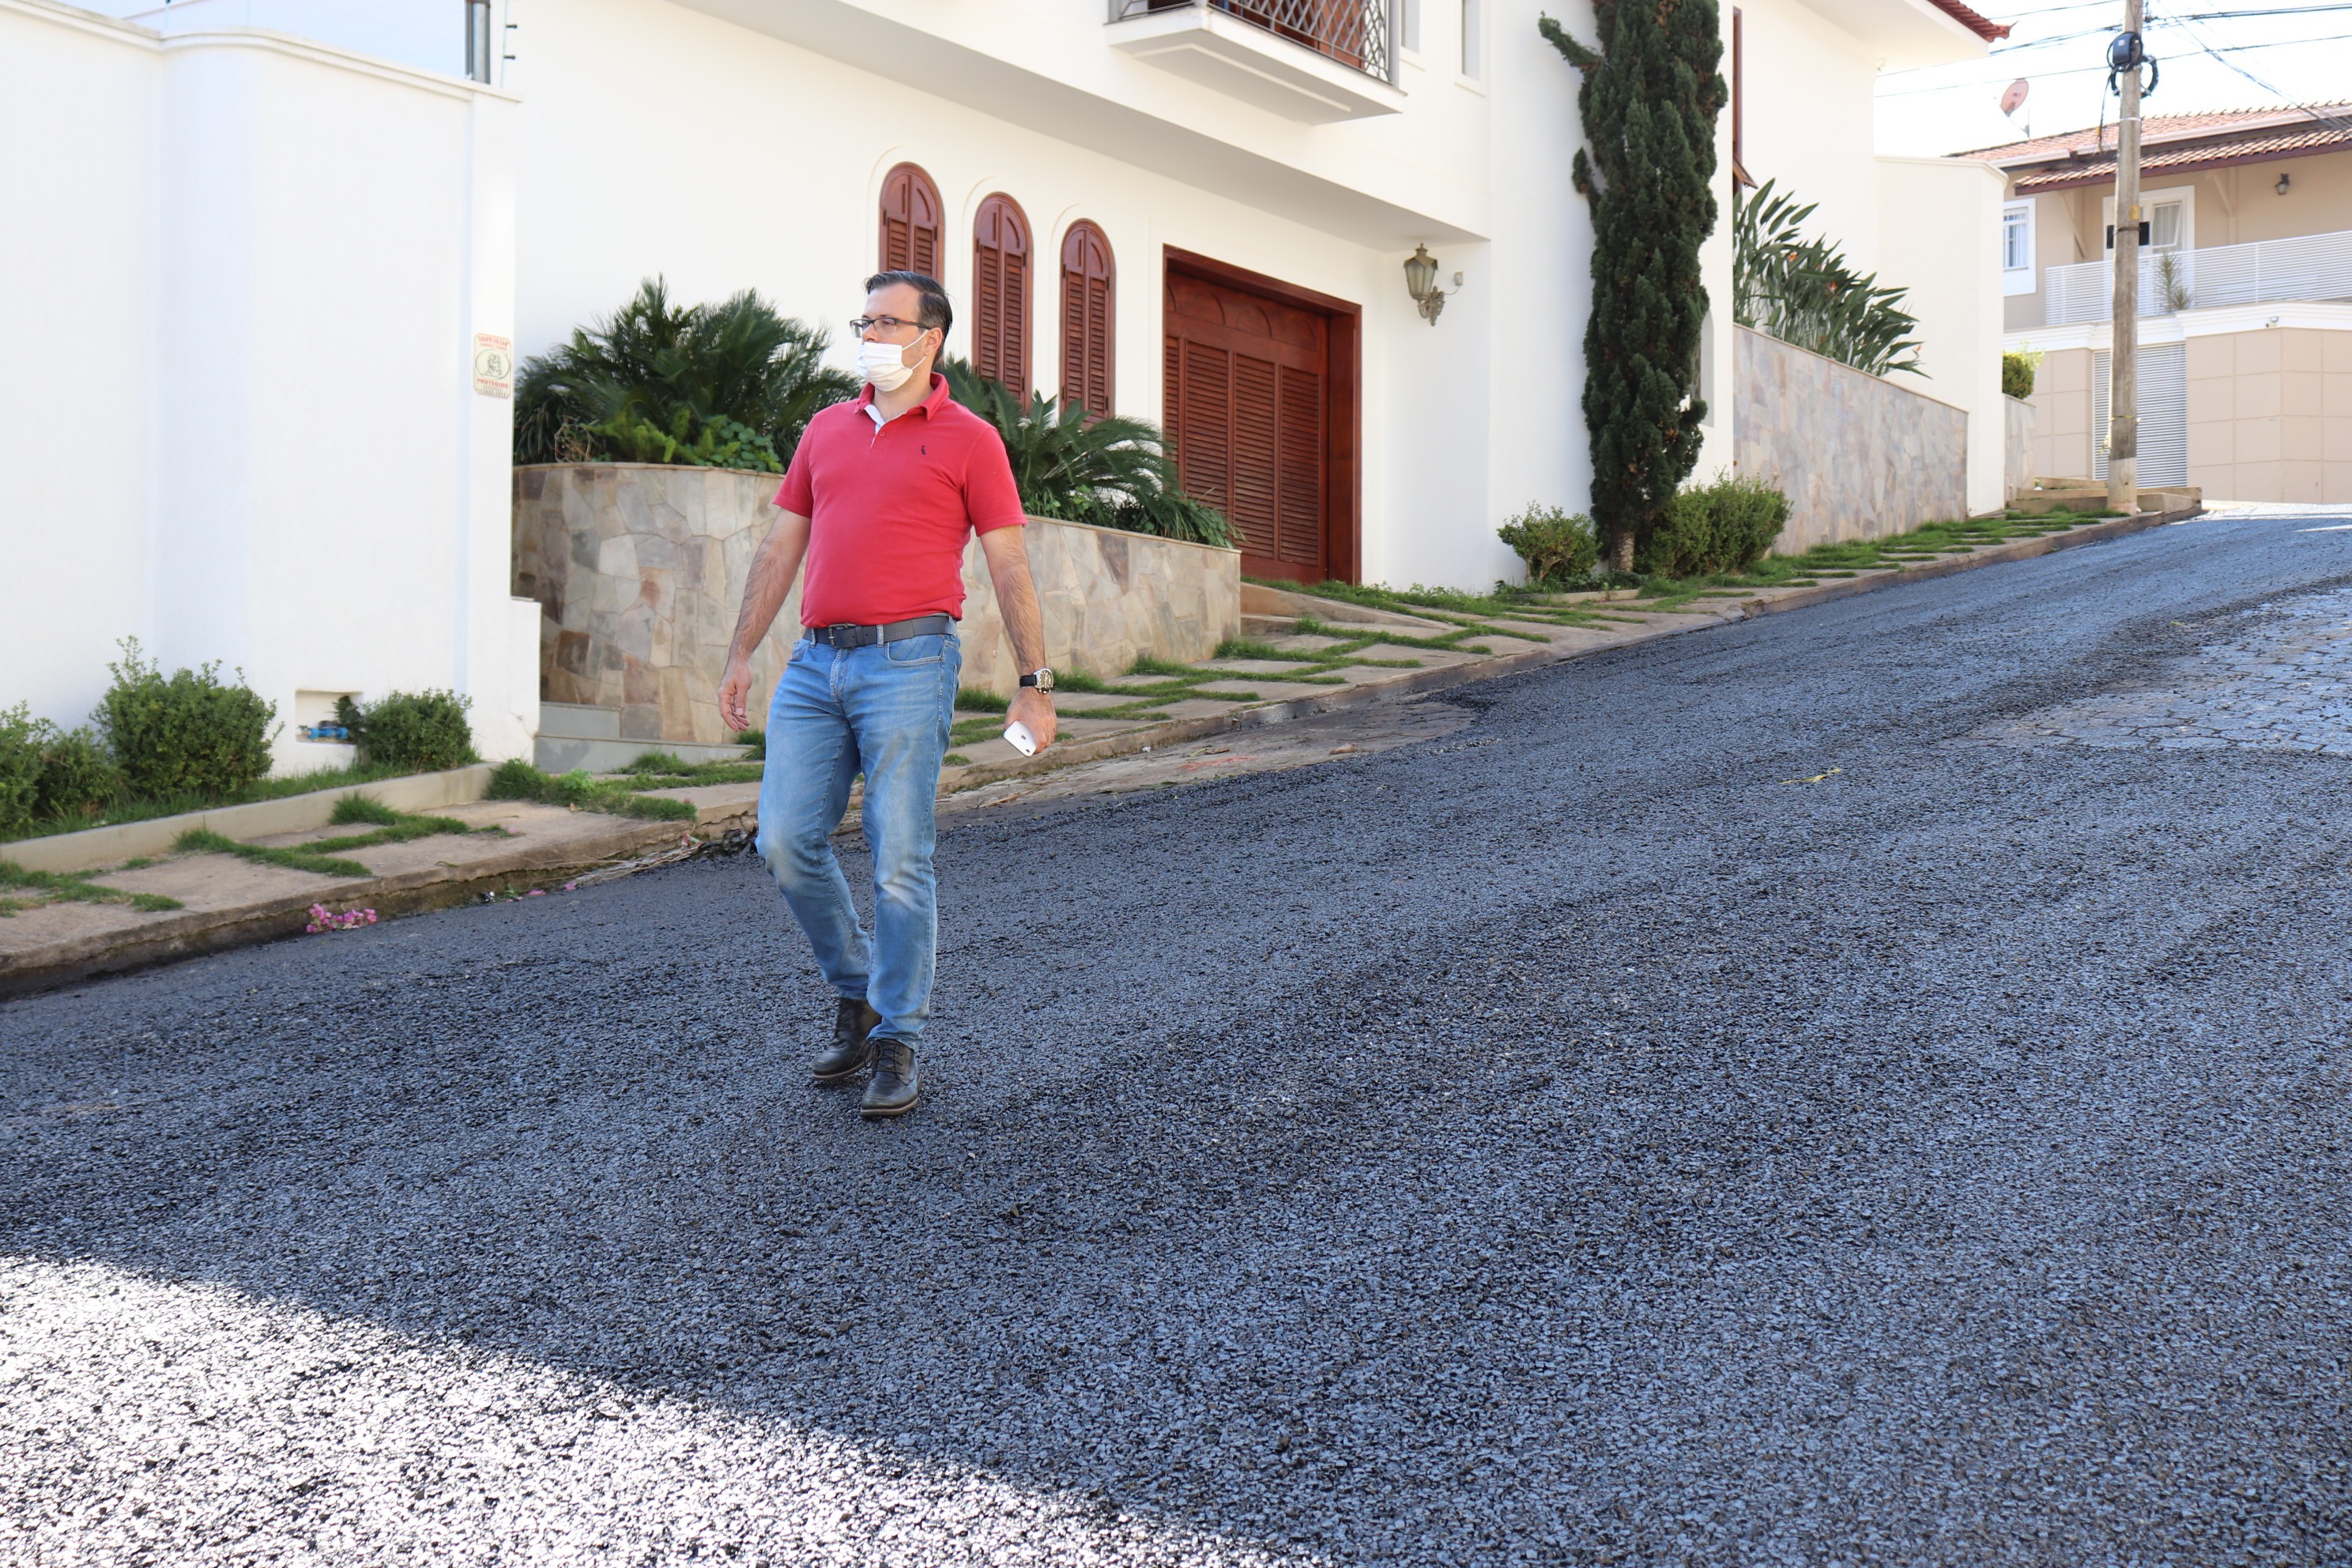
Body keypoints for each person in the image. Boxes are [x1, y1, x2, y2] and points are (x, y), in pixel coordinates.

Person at [718, 270, 1058, 1121]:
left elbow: (1008, 563)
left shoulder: (971, 439)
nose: (871, 333)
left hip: (910, 662)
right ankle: (860, 989)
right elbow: (780, 546)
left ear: (929, 339)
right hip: (814, 665)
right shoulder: (826, 430)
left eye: (888, 321)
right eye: (863, 319)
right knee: (785, 841)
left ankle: (899, 1034)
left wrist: (1034, 686)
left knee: (899, 856)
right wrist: (740, 653)